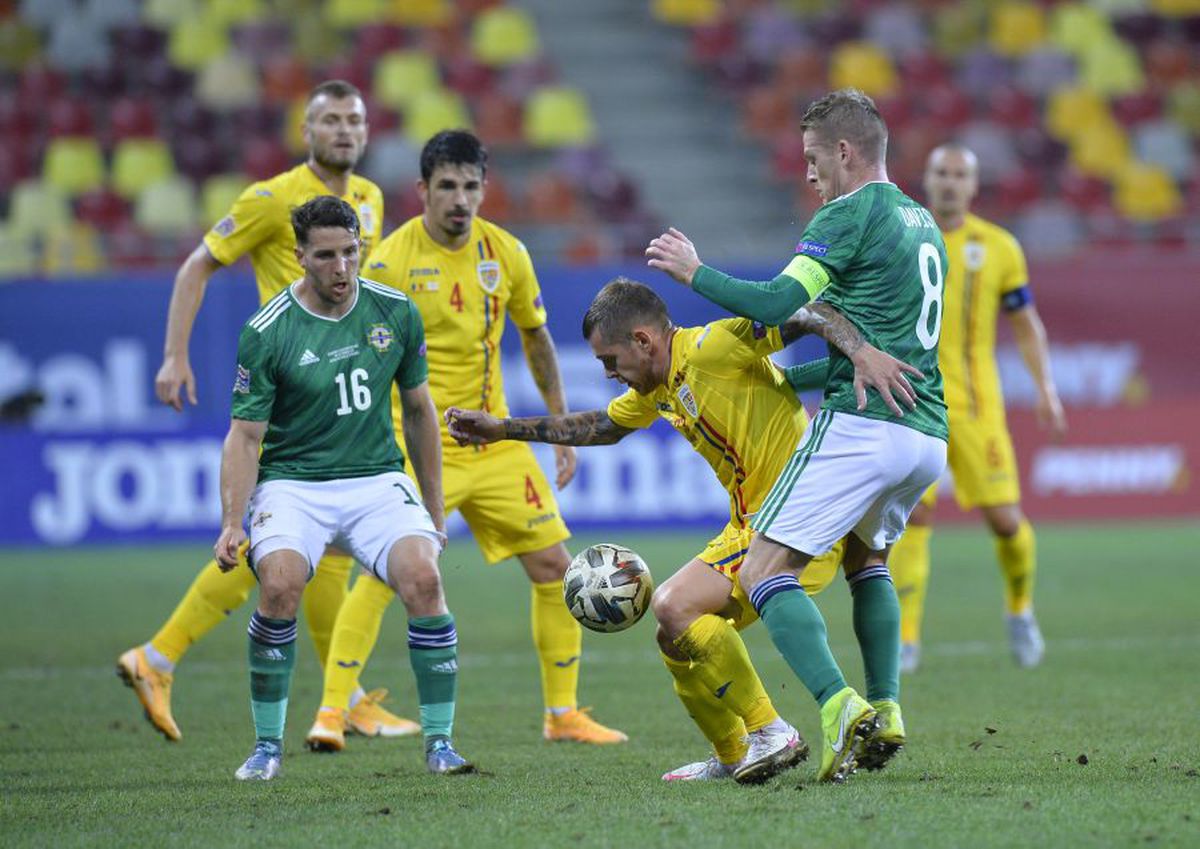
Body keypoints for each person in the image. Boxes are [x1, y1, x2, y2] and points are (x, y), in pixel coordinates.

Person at [446, 277, 918, 783]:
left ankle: (772, 731)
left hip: (793, 520)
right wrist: (502, 428)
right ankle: (734, 753)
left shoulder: (713, 347)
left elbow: (808, 313)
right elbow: (604, 426)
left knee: (672, 603)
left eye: (610, 361)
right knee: (673, 640)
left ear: (643, 340)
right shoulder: (659, 387)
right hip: (754, 522)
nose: (608, 374)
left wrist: (861, 352)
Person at [645, 88, 949, 783]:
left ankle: (838, 707)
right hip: (925, 433)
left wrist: (696, 272)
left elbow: (783, 302)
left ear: (844, 150)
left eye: (814, 158)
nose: (808, 174)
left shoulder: (848, 213)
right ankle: (886, 708)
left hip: (864, 427)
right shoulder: (921, 221)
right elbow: (875, 347)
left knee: (762, 570)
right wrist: (788, 379)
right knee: (867, 563)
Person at [303, 130, 625, 752]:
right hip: (418, 447)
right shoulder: (389, 262)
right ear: (422, 190)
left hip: (495, 443)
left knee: (556, 568)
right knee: (386, 571)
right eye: (447, 186)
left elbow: (535, 337)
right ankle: (333, 711)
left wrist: (560, 428)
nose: (460, 199)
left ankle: (562, 714)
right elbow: (353, 353)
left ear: (484, 189)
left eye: (471, 186)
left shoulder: (507, 252)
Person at [118, 80, 416, 743]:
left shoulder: (368, 198)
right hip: (292, 388)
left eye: (354, 120)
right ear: (306, 132)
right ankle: (159, 656)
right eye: (330, 120)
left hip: (344, 388)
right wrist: (174, 356)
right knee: (275, 545)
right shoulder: (270, 199)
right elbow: (196, 267)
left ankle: (344, 695)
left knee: (326, 551)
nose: (344, 130)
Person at [215, 196, 472, 780]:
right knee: (280, 584)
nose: (341, 267)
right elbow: (245, 437)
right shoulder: (267, 331)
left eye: (350, 252)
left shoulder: (395, 312)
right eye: (326, 256)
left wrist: (434, 511)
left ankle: (440, 744)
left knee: (425, 579)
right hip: (293, 483)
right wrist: (232, 521)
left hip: (376, 479)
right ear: (300, 257)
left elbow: (420, 413)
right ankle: (266, 747)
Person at [888, 144, 1066, 672]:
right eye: (941, 172)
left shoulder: (1000, 247)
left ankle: (1020, 610)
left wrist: (1046, 388)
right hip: (914, 401)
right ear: (927, 179)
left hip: (976, 406)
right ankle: (906, 638)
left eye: (959, 175)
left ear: (973, 184)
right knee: (914, 516)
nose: (949, 182)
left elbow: (1026, 324)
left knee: (1006, 521)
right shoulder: (901, 239)